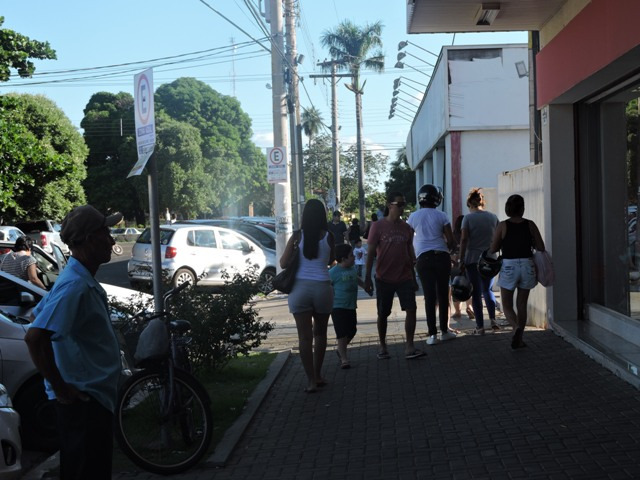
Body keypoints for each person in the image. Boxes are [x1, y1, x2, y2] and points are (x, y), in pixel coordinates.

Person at [24, 205, 123, 480]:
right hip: (83, 403)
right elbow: (35, 337)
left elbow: (38, 313)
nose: (112, 240)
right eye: (106, 232)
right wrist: (62, 388)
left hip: (91, 401)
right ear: (90, 239)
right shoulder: (74, 286)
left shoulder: (76, 279)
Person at [280, 199, 335, 392]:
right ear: (322, 215)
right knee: (320, 333)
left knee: (304, 338)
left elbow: (283, 263)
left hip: (300, 290)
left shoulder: (296, 236)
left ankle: (310, 380)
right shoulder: (329, 236)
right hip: (322, 288)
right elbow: (330, 260)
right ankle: (319, 374)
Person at [364, 191, 424, 360]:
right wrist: (368, 277)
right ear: (390, 205)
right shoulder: (378, 226)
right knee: (383, 313)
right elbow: (370, 253)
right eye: (399, 204)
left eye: (404, 204)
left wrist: (413, 277)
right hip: (383, 277)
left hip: (404, 277)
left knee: (411, 308)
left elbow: (408, 253)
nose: (402, 208)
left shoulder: (406, 228)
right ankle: (383, 346)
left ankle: (409, 346)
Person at [489, 194, 545, 349]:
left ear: (508, 208)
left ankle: (515, 328)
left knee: (506, 304)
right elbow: (541, 248)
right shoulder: (530, 225)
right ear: (522, 208)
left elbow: (493, 249)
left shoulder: (503, 225)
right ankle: (520, 339)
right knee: (521, 304)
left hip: (509, 266)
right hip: (527, 265)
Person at [407, 184, 457, 346]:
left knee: (429, 297)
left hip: (423, 259)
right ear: (437, 198)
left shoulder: (413, 217)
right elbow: (451, 241)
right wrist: (451, 250)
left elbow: (408, 240)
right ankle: (444, 331)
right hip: (441, 257)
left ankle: (432, 335)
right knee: (443, 295)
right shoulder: (442, 216)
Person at [458, 188, 500, 335]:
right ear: (483, 202)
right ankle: (494, 320)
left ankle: (480, 327)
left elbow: (463, 240)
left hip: (472, 260)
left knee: (476, 293)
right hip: (490, 260)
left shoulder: (467, 219)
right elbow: (498, 237)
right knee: (487, 290)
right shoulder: (493, 217)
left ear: (469, 203)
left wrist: (461, 259)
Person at [329, 244, 369, 369]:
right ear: (343, 258)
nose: (354, 257)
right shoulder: (333, 272)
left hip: (351, 306)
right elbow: (326, 287)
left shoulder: (352, 270)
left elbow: (356, 280)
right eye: (351, 255)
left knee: (352, 331)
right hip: (338, 307)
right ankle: (344, 358)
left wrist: (365, 287)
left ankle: (340, 350)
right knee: (342, 333)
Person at [450, 215, 474, 320]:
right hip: (468, 263)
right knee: (468, 286)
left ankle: (458, 311)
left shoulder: (453, 236)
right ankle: (469, 306)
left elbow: (449, 249)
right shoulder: (470, 235)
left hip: (455, 265)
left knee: (456, 287)